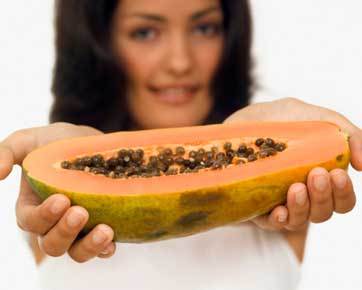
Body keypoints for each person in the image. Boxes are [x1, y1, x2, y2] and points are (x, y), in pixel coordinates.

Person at [1, 0, 361, 289]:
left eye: (204, 28)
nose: (180, 62)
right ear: (98, 43)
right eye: (145, 32)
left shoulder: (286, 194)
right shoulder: (54, 210)